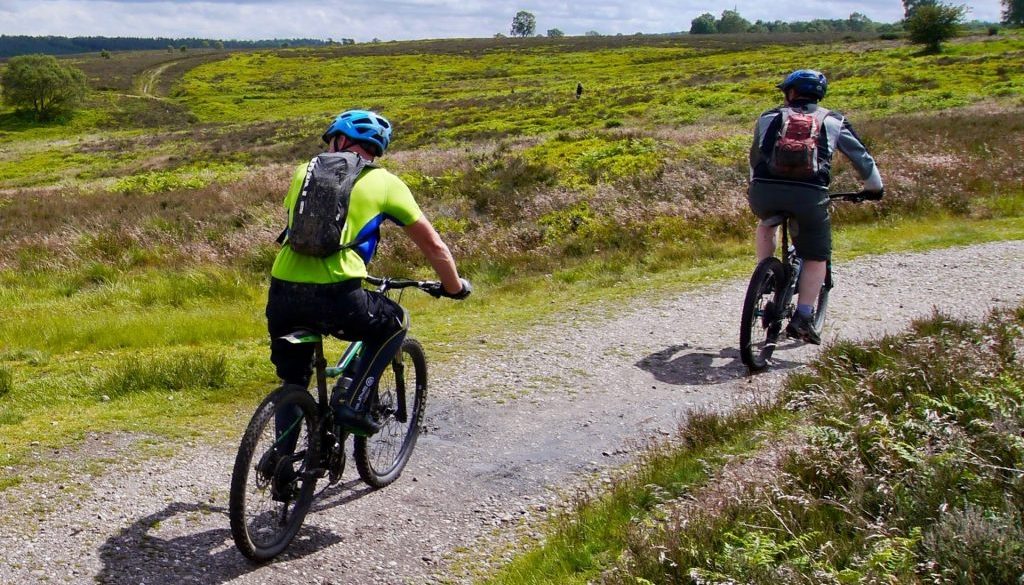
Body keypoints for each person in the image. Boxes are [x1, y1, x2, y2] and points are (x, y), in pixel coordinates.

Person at [266, 109, 471, 437]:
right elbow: (434, 247)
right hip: (337, 295)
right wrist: (454, 286)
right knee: (395, 322)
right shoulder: (386, 183)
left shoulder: (303, 171)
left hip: (282, 293)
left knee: (294, 381)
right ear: (375, 148)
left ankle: (282, 471)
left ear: (341, 140)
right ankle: (353, 401)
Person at [747, 69, 883, 344]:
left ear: (791, 92)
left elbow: (755, 156)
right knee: (817, 256)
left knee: (766, 223)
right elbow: (862, 158)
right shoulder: (832, 120)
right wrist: (874, 189)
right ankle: (804, 317)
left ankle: (765, 275)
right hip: (809, 195)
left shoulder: (768, 117)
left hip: (764, 191)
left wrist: (756, 186)